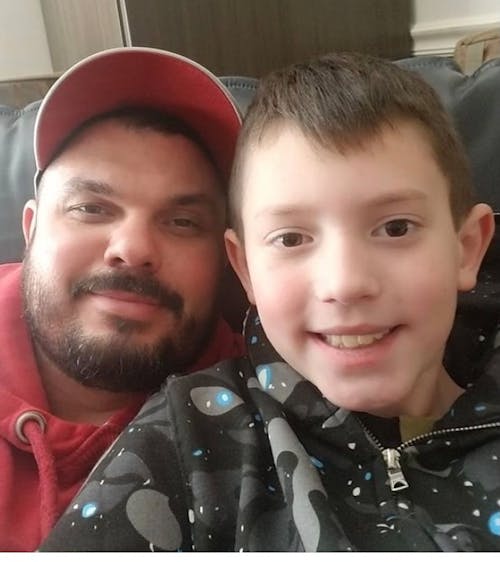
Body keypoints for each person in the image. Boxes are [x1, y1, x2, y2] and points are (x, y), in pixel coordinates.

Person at [40, 52, 500, 552]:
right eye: (291, 238)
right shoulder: (188, 435)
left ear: (467, 248)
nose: (344, 283)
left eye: (395, 228)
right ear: (244, 270)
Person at [0, 46, 246, 552]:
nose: (133, 250)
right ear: (31, 230)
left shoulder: (271, 412)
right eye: (91, 208)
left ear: (226, 258)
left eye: (183, 222)